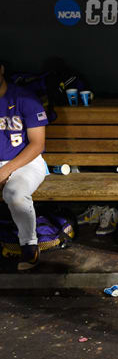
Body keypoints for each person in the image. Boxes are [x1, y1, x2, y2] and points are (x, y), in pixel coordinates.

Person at [0, 63, 49, 270]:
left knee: (15, 194)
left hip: (25, 163)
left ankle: (29, 246)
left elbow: (37, 144)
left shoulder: (24, 98)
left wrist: (5, 170)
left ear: (1, 69)